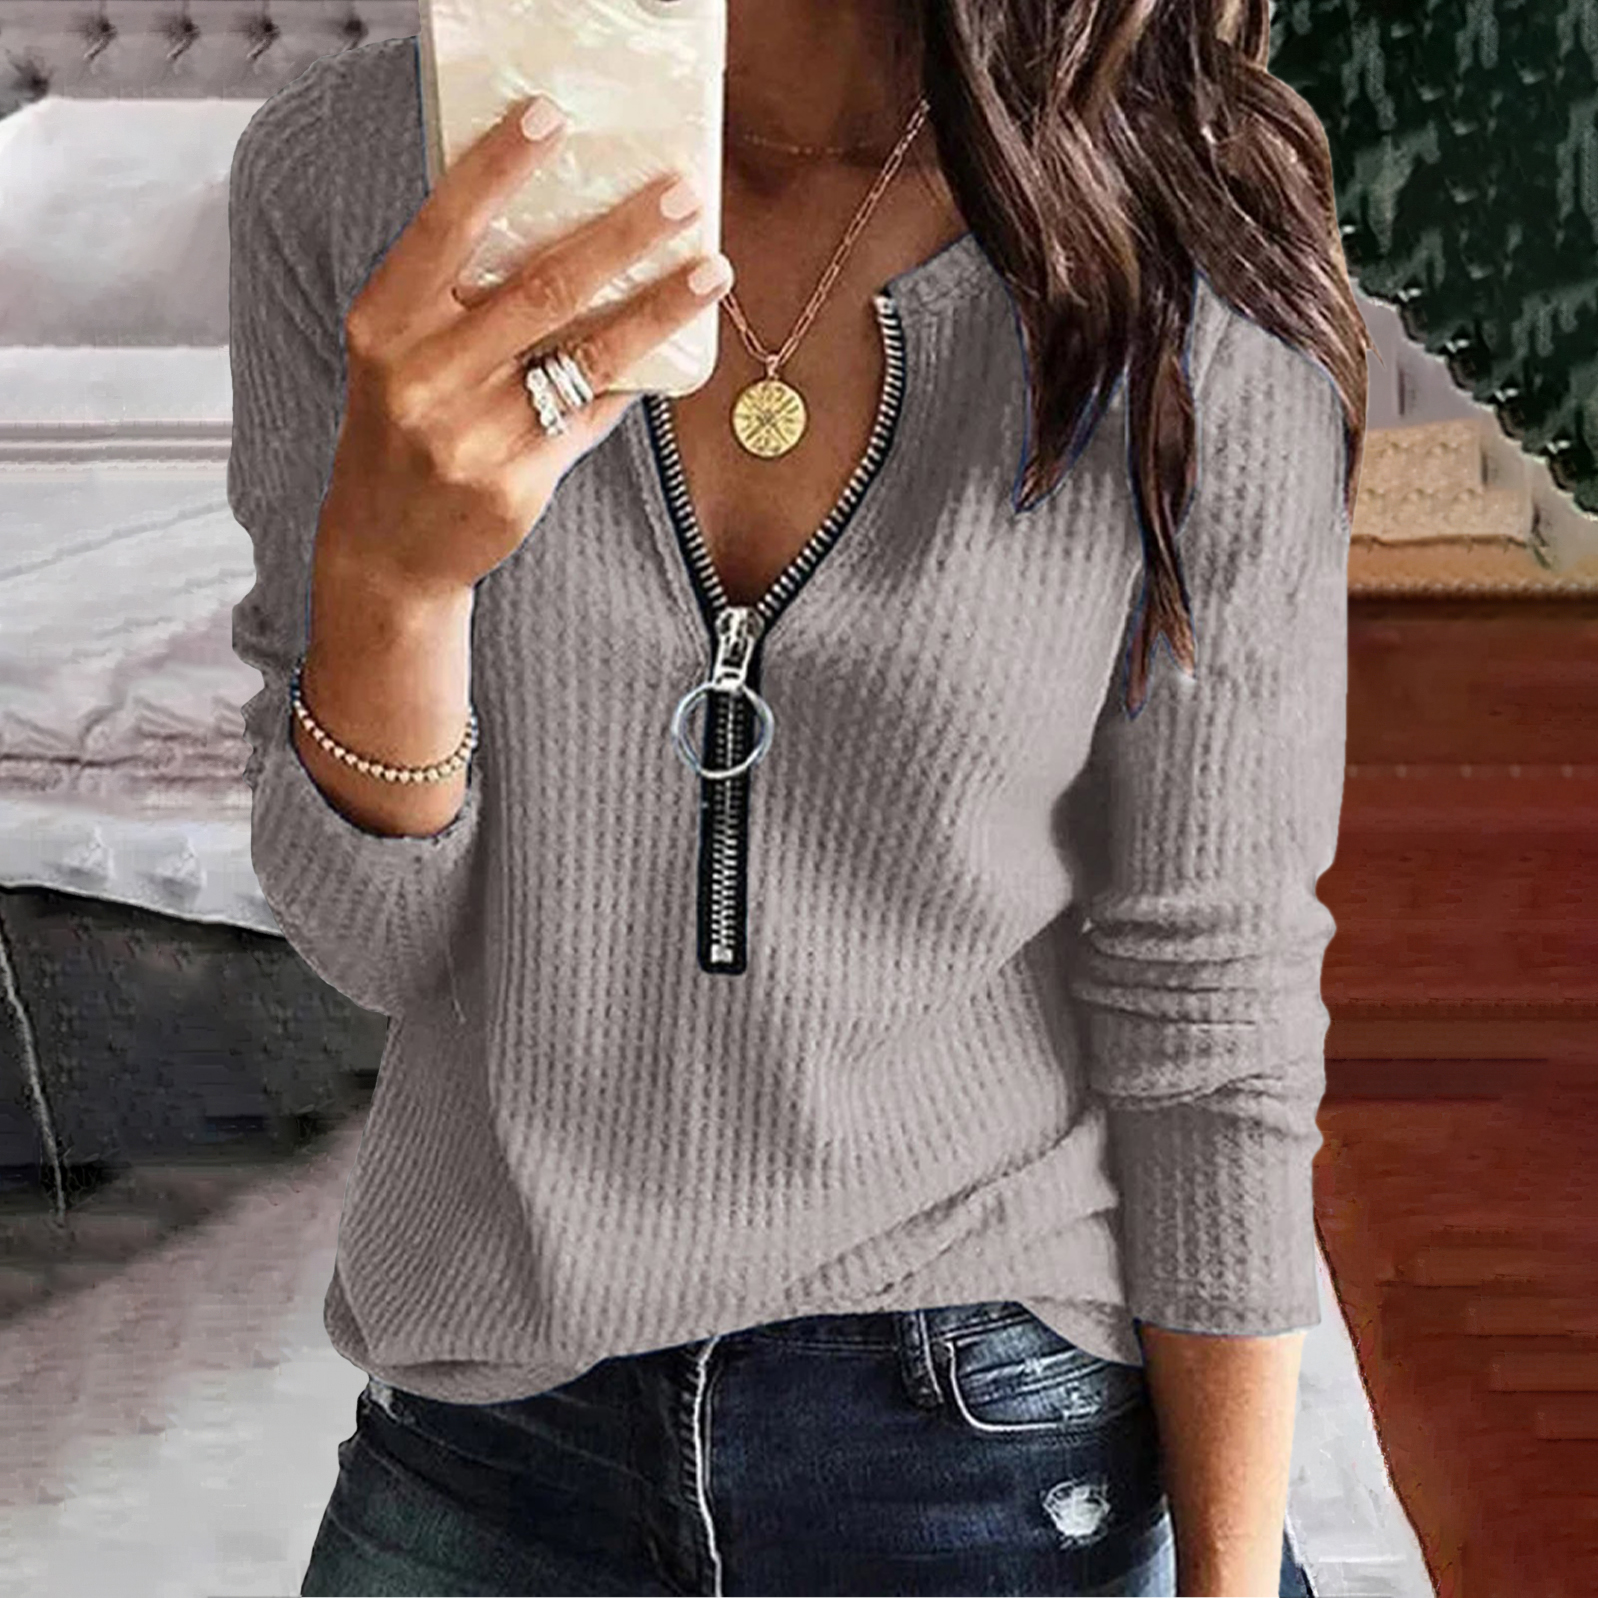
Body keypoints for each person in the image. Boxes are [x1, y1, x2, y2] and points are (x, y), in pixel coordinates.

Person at [227, 1, 1369, 1592]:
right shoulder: (353, 175)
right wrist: (391, 590)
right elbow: (371, 941)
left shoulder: (1180, 221)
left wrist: (1229, 1574)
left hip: (991, 1422)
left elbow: (1209, 981)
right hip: (494, 1433)